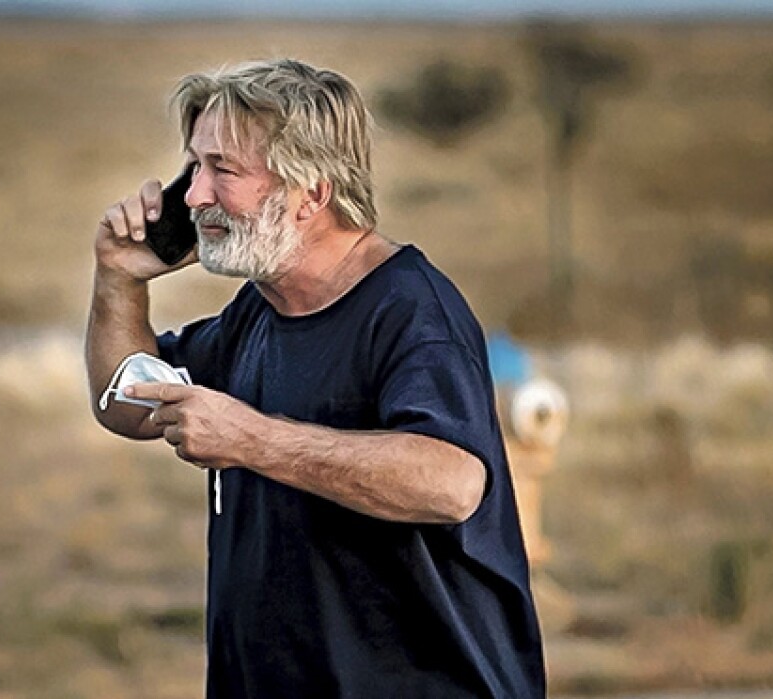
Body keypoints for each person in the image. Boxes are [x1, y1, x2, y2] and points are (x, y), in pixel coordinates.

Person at [84, 58, 546, 698]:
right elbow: (127, 402)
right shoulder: (259, 310)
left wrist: (251, 440)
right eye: (194, 167)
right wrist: (118, 279)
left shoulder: (411, 312)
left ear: (312, 193)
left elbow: (452, 482)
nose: (192, 196)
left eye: (223, 170)